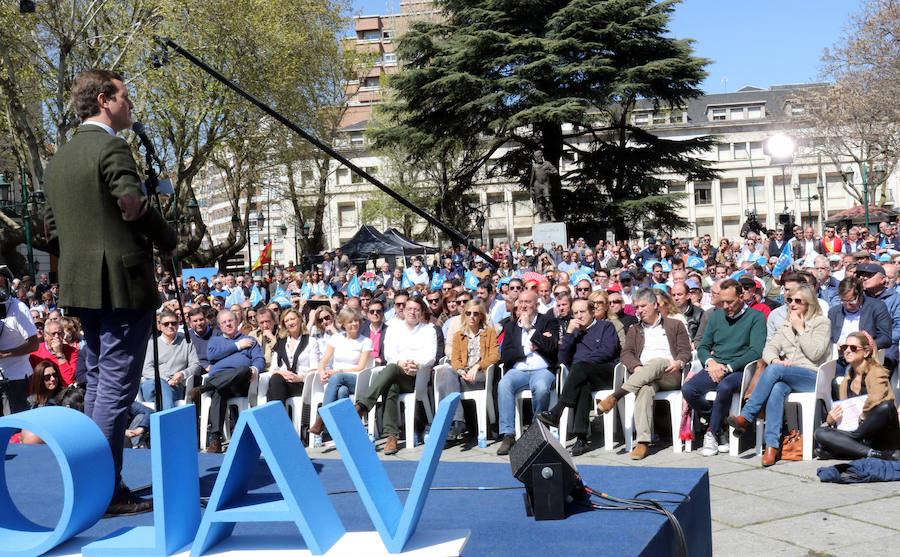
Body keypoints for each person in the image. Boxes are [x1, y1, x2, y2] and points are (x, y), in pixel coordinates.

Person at [43, 70, 177, 515]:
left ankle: (99, 484)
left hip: (82, 286)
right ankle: (101, 488)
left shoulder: (59, 159)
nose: (130, 105)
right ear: (104, 100)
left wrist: (81, 256)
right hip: (121, 285)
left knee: (99, 382)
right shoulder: (112, 147)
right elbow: (132, 204)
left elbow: (50, 229)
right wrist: (166, 237)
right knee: (116, 388)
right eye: (125, 97)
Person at [727, 284, 832, 466]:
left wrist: (801, 329)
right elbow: (769, 348)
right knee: (777, 387)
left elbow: (815, 353)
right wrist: (775, 359)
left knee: (775, 371)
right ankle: (772, 447)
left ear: (809, 303)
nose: (792, 304)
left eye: (798, 301)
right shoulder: (785, 325)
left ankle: (746, 416)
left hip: (813, 375)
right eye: (789, 300)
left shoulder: (822, 323)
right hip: (788, 374)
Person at [596, 288, 691, 459]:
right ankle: (643, 442)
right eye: (637, 307)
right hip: (645, 376)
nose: (639, 310)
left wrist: (678, 362)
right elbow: (626, 354)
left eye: (643, 306)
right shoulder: (634, 329)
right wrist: (637, 367)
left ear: (655, 305)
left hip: (670, 374)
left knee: (658, 361)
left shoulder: (674, 325)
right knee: (645, 388)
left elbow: (685, 352)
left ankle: (616, 396)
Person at [682, 279, 766, 457]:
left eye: (730, 302)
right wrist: (711, 363)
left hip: (740, 368)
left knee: (725, 387)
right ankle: (720, 425)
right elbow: (703, 346)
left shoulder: (755, 317)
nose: (726, 306)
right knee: (689, 389)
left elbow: (756, 351)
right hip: (716, 365)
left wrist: (727, 368)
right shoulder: (716, 316)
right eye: (723, 302)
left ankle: (711, 432)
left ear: (741, 296)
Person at [354, 296, 437, 455]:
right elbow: (390, 352)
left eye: (416, 309)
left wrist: (415, 364)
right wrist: (401, 363)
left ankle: (362, 405)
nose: (412, 312)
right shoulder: (394, 328)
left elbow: (430, 356)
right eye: (409, 309)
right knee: (391, 385)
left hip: (416, 376)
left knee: (390, 370)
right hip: (397, 371)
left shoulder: (429, 330)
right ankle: (391, 436)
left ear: (421, 312)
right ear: (404, 310)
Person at [537, 299, 619, 456]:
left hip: (604, 373)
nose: (579, 316)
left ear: (592, 312)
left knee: (580, 367)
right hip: (582, 377)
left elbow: (607, 352)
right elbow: (562, 359)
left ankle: (558, 410)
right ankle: (581, 439)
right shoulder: (573, 333)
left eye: (582, 312)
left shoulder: (605, 327)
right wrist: (568, 334)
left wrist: (584, 364)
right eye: (575, 313)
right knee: (582, 385)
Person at [813, 332, 900, 460]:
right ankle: (871, 453)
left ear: (866, 353)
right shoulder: (846, 381)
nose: (847, 351)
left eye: (853, 348)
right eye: (844, 348)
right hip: (861, 436)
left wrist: (863, 416)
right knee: (820, 432)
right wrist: (831, 420)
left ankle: (848, 448)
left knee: (885, 407)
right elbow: (845, 417)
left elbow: (877, 398)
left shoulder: (876, 372)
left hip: (881, 435)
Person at [190, 310, 265, 453]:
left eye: (230, 320)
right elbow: (212, 355)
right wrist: (238, 346)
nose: (228, 324)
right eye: (224, 322)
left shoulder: (250, 340)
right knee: (220, 390)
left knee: (244, 369)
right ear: (219, 326)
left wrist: (255, 368)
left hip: (240, 382)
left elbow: (259, 359)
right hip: (221, 380)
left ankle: (205, 388)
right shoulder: (215, 340)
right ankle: (216, 440)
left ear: (236, 321)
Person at [495, 290, 560, 456]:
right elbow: (506, 355)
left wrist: (530, 328)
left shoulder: (549, 321)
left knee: (541, 387)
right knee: (504, 384)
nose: (523, 306)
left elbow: (551, 347)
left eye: (528, 302)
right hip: (519, 371)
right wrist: (529, 347)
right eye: (521, 302)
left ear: (536, 305)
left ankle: (536, 431)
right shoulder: (510, 326)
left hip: (542, 369)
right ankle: (508, 435)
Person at [436, 300, 500, 442]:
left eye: (475, 314)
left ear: (481, 316)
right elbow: (455, 358)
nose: (472, 317)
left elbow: (495, 355)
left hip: (481, 375)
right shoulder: (459, 335)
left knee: (443, 386)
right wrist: (461, 371)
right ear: (464, 315)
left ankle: (452, 426)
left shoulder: (488, 333)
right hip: (463, 374)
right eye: (468, 313)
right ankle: (458, 421)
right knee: (449, 373)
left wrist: (478, 366)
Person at [308, 307, 372, 436]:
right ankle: (343, 432)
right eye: (350, 321)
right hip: (336, 381)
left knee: (338, 378)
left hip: (357, 379)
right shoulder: (336, 339)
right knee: (342, 390)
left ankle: (322, 419)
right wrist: (321, 372)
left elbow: (360, 367)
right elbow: (323, 361)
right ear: (343, 324)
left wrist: (337, 371)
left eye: (356, 321)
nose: (354, 324)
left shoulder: (365, 341)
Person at [140, 310, 201, 410]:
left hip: (175, 387)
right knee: (161, 384)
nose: (170, 326)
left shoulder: (186, 342)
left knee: (162, 397)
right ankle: (168, 419)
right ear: (160, 326)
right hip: (152, 386)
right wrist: (166, 379)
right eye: (166, 324)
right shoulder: (152, 343)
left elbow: (196, 366)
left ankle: (149, 423)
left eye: (173, 323)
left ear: (178, 324)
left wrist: (182, 374)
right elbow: (146, 369)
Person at [265, 309, 320, 407]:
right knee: (276, 379)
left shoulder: (311, 342)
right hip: (282, 382)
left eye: (292, 319)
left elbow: (314, 369)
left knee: (274, 388)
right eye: (287, 321)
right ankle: (278, 417)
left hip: (302, 383)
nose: (290, 323)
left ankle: (275, 418)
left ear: (299, 319)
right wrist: (281, 373)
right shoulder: (281, 343)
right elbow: (273, 369)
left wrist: (299, 378)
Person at [29, 318, 79, 385]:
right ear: (45, 336)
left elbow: (70, 382)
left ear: (63, 335)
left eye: (59, 333)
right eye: (53, 334)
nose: (57, 337)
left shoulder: (73, 352)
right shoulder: (35, 352)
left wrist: (59, 354)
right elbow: (33, 381)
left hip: (64, 391)